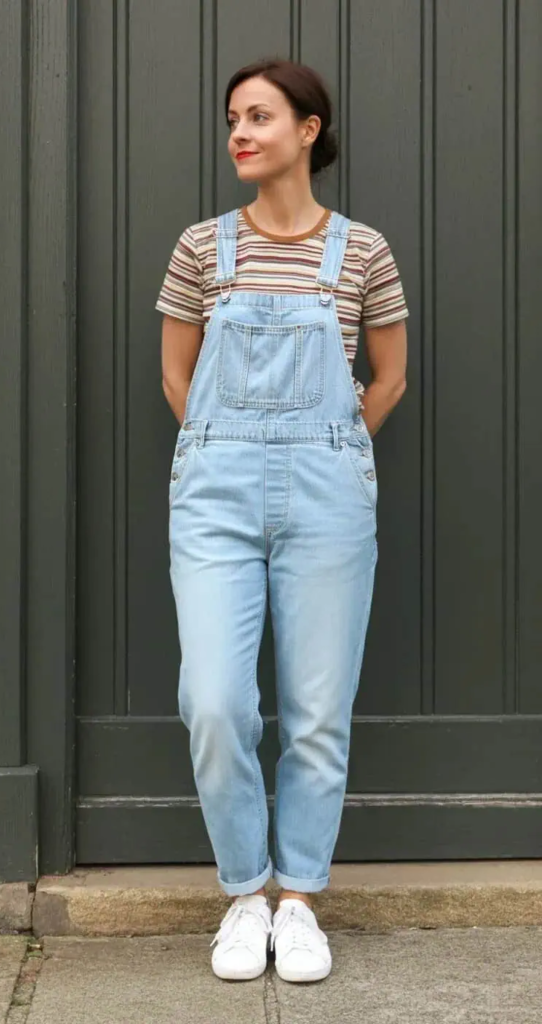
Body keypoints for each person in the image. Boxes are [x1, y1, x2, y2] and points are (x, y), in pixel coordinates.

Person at [155, 57, 408, 984]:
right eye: (231, 118)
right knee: (215, 701)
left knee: (314, 711)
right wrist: (227, 446)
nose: (238, 133)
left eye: (258, 116)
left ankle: (297, 900)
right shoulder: (200, 249)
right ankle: (242, 891)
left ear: (308, 130)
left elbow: (388, 378)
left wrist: (329, 445)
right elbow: (178, 376)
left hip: (327, 493)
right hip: (216, 490)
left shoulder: (363, 251)